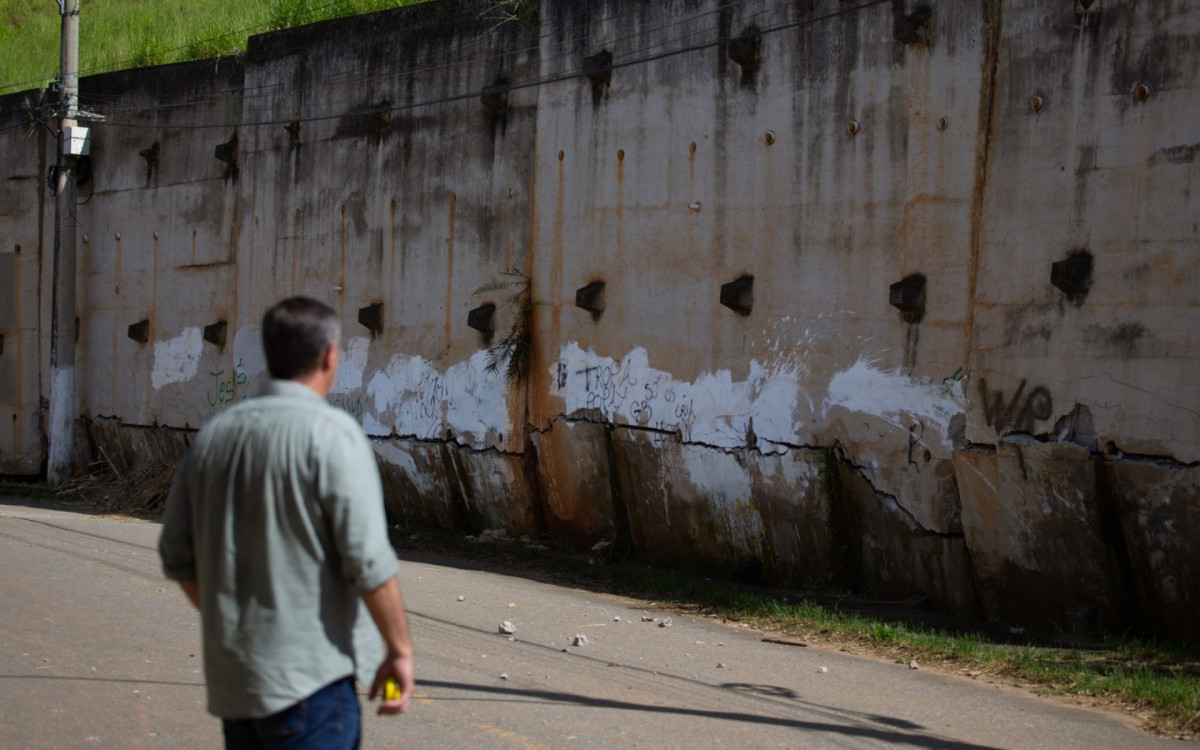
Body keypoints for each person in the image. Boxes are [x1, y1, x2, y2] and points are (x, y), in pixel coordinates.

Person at [159, 296, 415, 749]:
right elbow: (368, 561)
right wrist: (400, 650)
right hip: (312, 686)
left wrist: (243, 625)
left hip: (237, 687)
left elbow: (178, 555)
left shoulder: (214, 436)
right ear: (329, 355)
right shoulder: (333, 434)